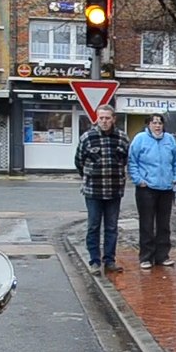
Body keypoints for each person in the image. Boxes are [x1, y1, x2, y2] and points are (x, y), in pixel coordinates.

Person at [74, 105, 130, 275]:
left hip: (114, 191)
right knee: (93, 226)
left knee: (112, 227)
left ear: (113, 119)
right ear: (96, 119)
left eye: (107, 118)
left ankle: (110, 261)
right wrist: (90, 176)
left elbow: (126, 160)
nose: (104, 121)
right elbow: (79, 161)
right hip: (93, 191)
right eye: (101, 118)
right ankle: (94, 261)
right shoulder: (87, 137)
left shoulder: (122, 138)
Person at [128, 113, 176, 270]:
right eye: (154, 123)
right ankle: (146, 257)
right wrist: (138, 180)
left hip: (166, 188)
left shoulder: (170, 140)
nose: (157, 126)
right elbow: (132, 161)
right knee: (146, 224)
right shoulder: (140, 139)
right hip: (147, 188)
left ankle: (162, 256)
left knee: (164, 224)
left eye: (160, 123)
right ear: (148, 124)